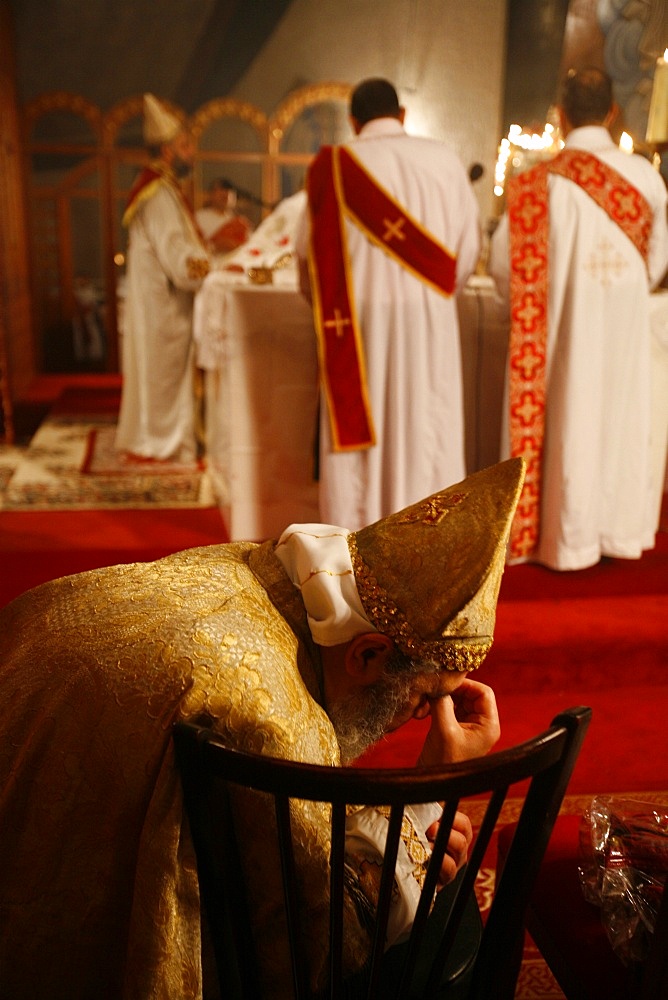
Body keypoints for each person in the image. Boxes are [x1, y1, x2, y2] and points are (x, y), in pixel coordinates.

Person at [0, 457, 524, 1000]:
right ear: (368, 654)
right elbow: (314, 943)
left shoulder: (247, 565)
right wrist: (425, 799)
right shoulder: (279, 720)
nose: (413, 721)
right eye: (421, 703)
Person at [489, 67, 668, 571]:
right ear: (613, 112)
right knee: (618, 422)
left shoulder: (533, 186)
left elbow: (504, 273)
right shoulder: (647, 178)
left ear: (561, 116)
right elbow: (655, 266)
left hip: (559, 345)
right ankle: (617, 531)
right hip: (623, 335)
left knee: (568, 420)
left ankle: (557, 538)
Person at [296, 77, 482, 531]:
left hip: (355, 332)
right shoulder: (444, 159)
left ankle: (354, 541)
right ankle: (429, 537)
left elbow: (307, 264)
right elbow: (468, 250)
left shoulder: (333, 167)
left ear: (353, 121)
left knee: (362, 448)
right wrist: (432, 300)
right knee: (426, 426)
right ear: (401, 115)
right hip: (428, 326)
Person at [115, 93, 211, 464]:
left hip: (160, 305)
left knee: (157, 380)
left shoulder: (162, 189)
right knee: (162, 381)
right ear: (168, 151)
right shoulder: (158, 195)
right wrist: (214, 266)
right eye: (186, 146)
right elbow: (179, 259)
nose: (192, 153)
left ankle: (154, 437)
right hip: (164, 309)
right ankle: (163, 442)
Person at [195, 177, 253, 256]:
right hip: (208, 263)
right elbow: (191, 246)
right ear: (210, 194)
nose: (225, 194)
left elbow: (249, 249)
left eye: (229, 191)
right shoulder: (198, 218)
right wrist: (215, 246)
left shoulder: (240, 222)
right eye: (220, 190)